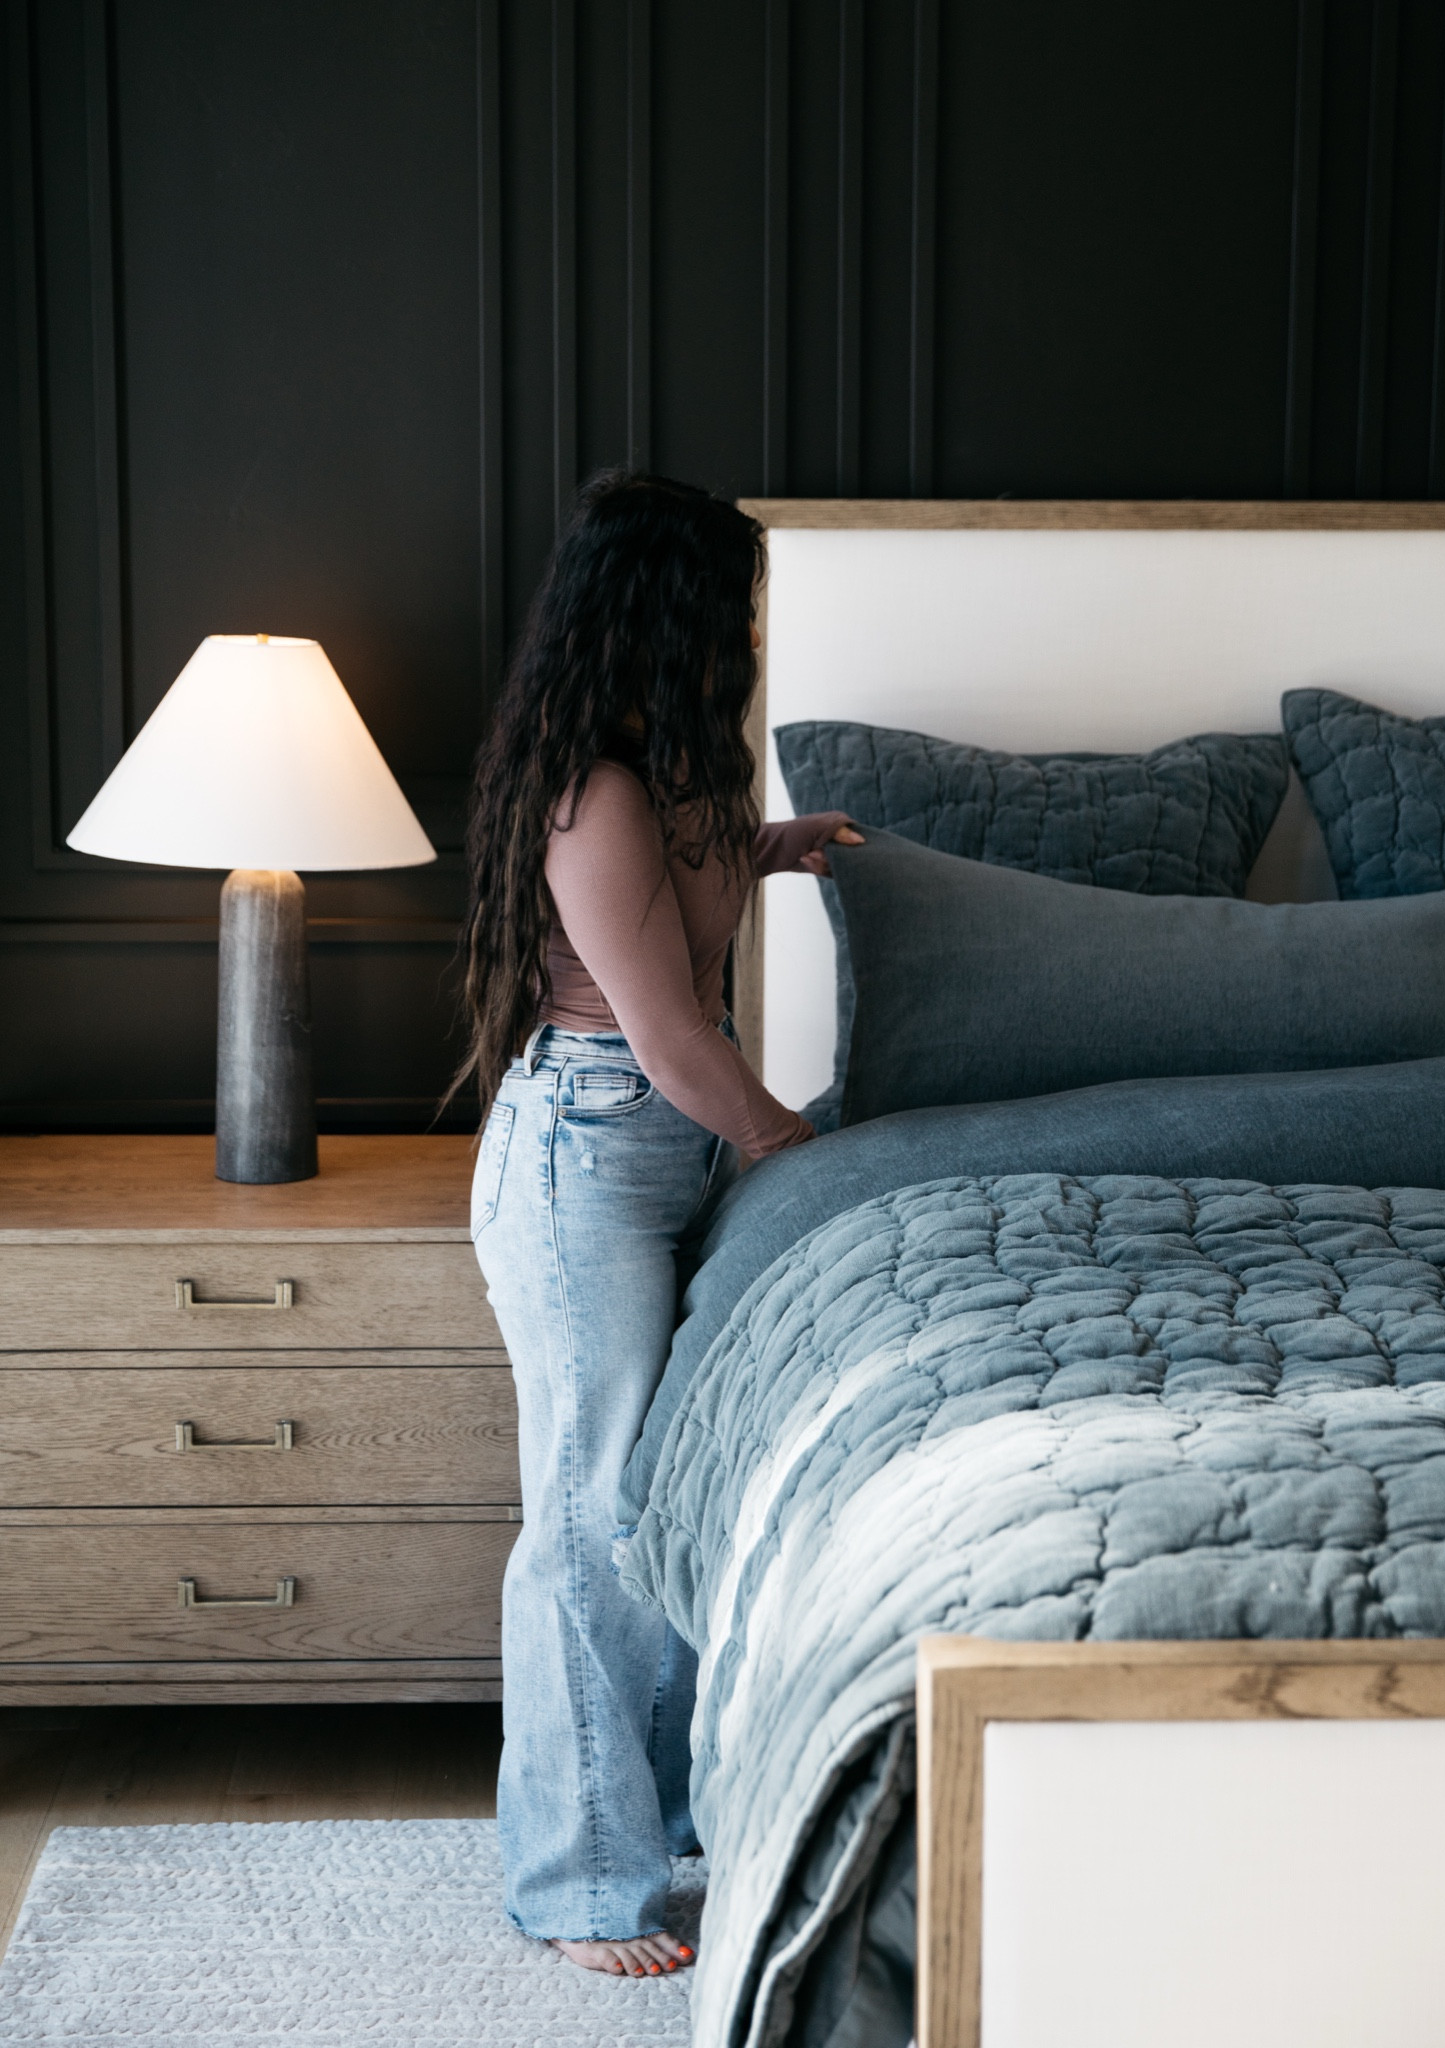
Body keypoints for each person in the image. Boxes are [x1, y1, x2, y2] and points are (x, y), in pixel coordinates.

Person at [459, 472, 861, 1980]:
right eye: (733, 604)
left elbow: (681, 901)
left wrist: (773, 845)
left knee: (666, 1493)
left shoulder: (682, 772)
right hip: (588, 1155)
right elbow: (675, 1038)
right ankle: (578, 1886)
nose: (751, 630)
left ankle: (667, 1812)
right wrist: (794, 1151)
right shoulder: (595, 790)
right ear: (668, 611)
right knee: (588, 1520)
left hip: (661, 1155)